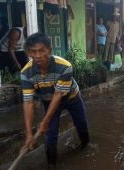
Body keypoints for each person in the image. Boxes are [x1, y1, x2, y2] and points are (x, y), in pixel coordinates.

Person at [20, 32, 90, 167]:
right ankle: (51, 164)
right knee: (50, 134)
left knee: (81, 123)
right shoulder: (25, 73)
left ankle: (85, 145)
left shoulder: (64, 66)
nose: (38, 55)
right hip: (48, 100)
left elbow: (58, 95)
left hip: (71, 97)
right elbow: (28, 103)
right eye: (34, 51)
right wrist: (29, 133)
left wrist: (44, 121)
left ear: (49, 50)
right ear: (28, 52)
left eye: (42, 50)